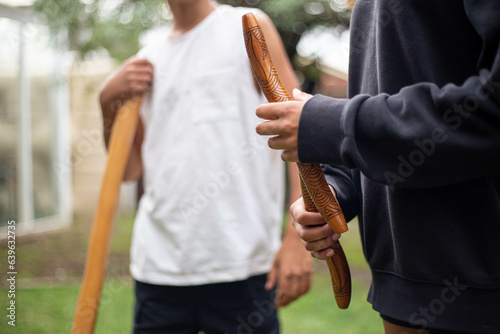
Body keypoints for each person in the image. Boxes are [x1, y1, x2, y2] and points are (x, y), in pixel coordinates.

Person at [254, 1, 500, 334]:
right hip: (400, 295)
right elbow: (389, 111)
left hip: (479, 300)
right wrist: (340, 189)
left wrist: (335, 126)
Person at [98, 0, 312, 333]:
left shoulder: (249, 27)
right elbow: (129, 171)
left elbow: (298, 130)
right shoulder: (147, 58)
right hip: (160, 269)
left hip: (243, 263)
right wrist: (106, 102)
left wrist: (295, 238)